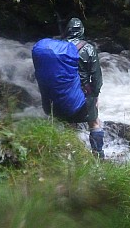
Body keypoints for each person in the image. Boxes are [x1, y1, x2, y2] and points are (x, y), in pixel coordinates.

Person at [40, 17, 105, 159]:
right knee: (94, 122)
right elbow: (96, 78)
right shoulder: (88, 48)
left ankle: (69, 155)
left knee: (68, 124)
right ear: (82, 31)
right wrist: (95, 95)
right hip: (83, 94)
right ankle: (98, 155)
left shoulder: (57, 48)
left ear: (67, 31)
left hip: (62, 94)